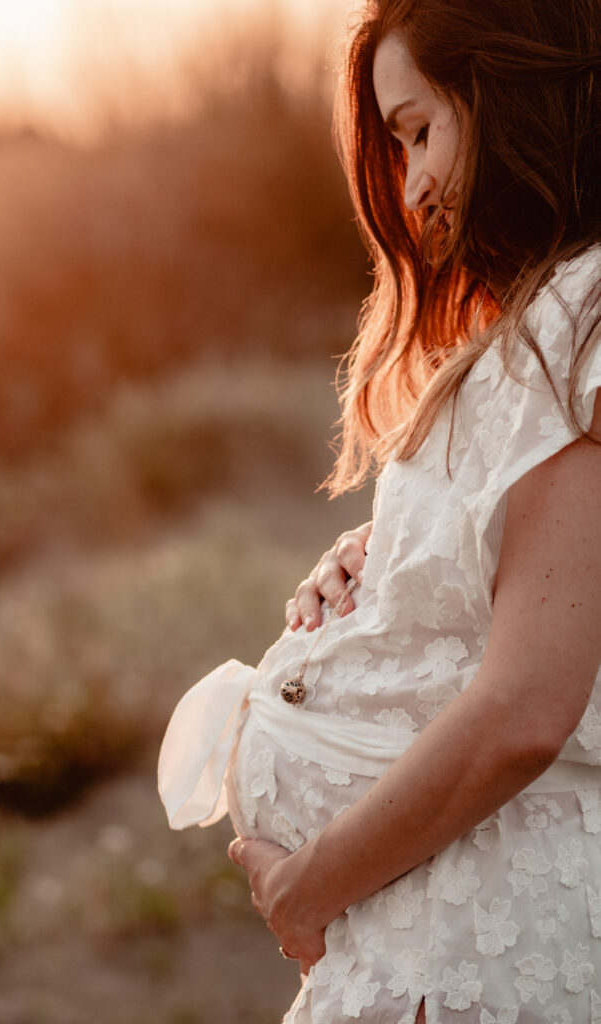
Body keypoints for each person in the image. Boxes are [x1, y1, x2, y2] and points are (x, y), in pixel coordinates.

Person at [158, 0, 601, 1020]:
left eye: (416, 130)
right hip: (431, 927)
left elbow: (525, 713)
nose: (409, 187)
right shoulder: (547, 318)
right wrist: (384, 560)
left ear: (509, 97)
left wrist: (310, 880)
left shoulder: (581, 318)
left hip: (474, 946)